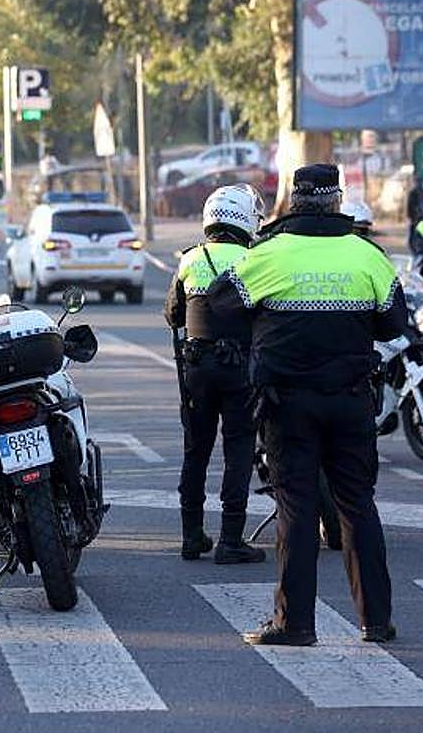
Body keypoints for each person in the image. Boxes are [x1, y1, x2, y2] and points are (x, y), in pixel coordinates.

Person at [208, 163, 403, 646]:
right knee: (357, 505)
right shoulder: (368, 255)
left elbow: (219, 303)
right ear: (337, 202)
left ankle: (295, 624)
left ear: (294, 201)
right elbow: (394, 322)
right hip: (352, 400)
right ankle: (376, 622)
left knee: (296, 509)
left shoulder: (269, 253)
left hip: (287, 405)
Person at [163, 185, 266, 564]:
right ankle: (230, 541)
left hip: (196, 370)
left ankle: (191, 536)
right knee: (238, 452)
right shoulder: (253, 259)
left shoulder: (191, 258)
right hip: (239, 370)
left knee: (196, 452)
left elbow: (172, 314)